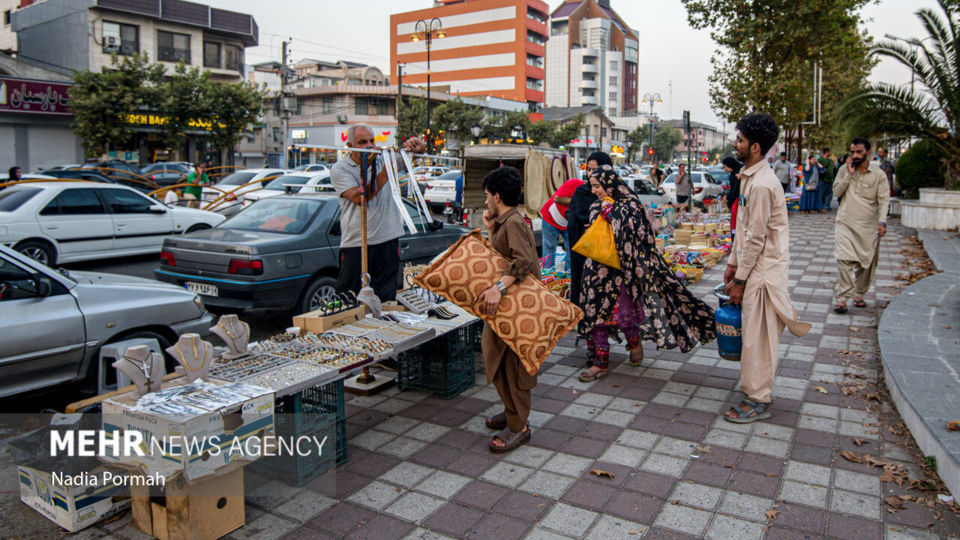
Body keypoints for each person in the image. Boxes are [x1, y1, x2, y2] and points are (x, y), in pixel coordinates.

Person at [577, 166, 716, 381]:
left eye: (597, 186)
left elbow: (641, 235)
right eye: (592, 186)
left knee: (624, 317)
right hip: (597, 271)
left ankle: (634, 344)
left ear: (609, 183)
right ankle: (599, 364)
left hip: (625, 272)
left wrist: (612, 214)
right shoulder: (596, 205)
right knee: (596, 316)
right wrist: (604, 213)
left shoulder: (631, 205)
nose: (594, 190)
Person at [723, 113, 811, 423]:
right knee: (752, 336)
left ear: (756, 147)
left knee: (759, 338)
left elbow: (757, 238)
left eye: (741, 140)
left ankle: (759, 399)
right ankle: (754, 390)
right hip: (752, 268)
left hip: (763, 271)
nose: (736, 144)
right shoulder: (750, 177)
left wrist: (741, 280)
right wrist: (733, 264)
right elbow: (744, 229)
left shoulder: (762, 184)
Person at [478, 166, 540, 453]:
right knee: (498, 356)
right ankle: (511, 410)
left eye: (488, 195)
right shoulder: (507, 221)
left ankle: (519, 426)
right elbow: (502, 257)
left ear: (498, 196)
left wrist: (497, 288)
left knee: (513, 364)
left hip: (517, 306)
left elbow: (522, 261)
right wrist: (491, 229)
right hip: (510, 306)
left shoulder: (513, 222)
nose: (486, 200)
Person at [331, 124, 425, 302]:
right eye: (362, 142)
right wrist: (386, 171)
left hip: (387, 240)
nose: (369, 146)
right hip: (357, 244)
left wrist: (416, 147)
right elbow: (361, 197)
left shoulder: (383, 160)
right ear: (350, 145)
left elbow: (412, 156)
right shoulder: (340, 169)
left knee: (385, 296)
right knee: (350, 298)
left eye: (371, 141)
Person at [832, 137, 890, 314]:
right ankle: (842, 299)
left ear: (868, 152)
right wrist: (848, 175)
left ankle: (859, 294)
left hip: (868, 226)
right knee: (843, 260)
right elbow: (836, 192)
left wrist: (882, 222)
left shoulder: (878, 175)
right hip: (845, 223)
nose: (855, 155)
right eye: (852, 152)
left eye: (859, 152)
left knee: (866, 264)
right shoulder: (844, 170)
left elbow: (883, 200)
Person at [539, 176, 583, 272]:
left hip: (568, 223)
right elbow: (557, 199)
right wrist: (581, 201)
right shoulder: (574, 183)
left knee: (572, 249)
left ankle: (569, 275)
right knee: (549, 249)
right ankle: (548, 276)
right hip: (550, 217)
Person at [722, 156, 742, 241]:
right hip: (734, 200)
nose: (724, 169)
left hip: (736, 201)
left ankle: (735, 238)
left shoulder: (738, 173)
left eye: (725, 166)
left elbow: (736, 189)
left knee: (735, 222)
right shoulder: (734, 173)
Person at [817, 148, 836, 212]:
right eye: (829, 152)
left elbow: (833, 168)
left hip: (830, 180)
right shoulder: (820, 160)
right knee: (821, 194)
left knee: (829, 195)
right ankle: (820, 206)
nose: (830, 153)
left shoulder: (831, 160)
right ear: (826, 152)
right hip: (823, 180)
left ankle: (826, 207)